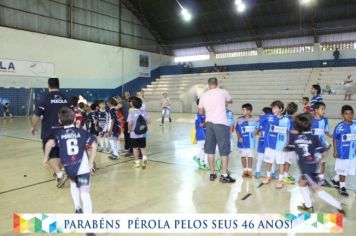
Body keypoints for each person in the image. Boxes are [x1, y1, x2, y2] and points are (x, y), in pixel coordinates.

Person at [44, 108, 97, 236]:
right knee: (85, 194)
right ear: (74, 119)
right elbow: (94, 143)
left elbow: (49, 143)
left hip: (69, 168)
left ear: (59, 121)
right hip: (83, 168)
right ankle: (89, 228)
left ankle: (78, 208)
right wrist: (91, 161)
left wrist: (46, 157)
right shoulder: (81, 132)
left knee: (73, 184)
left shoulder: (59, 133)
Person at [286, 113, 344, 214]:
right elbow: (323, 151)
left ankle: (338, 205)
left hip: (307, 169)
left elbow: (290, 147)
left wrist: (286, 148)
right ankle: (308, 205)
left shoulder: (296, 137)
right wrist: (319, 157)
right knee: (302, 183)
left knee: (317, 190)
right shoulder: (313, 137)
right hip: (311, 167)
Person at [31, 78, 70, 188]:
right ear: (59, 85)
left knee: (49, 155)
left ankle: (59, 173)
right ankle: (62, 170)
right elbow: (72, 114)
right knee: (60, 153)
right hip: (65, 130)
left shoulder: (45, 97)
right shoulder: (66, 98)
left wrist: (33, 126)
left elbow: (36, 115)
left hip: (50, 131)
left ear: (49, 85)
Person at [198, 77, 235, 183]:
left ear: (208, 85)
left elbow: (200, 112)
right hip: (221, 124)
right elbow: (230, 100)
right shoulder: (223, 92)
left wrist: (209, 111)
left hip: (209, 124)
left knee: (210, 150)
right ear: (217, 84)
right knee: (224, 150)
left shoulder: (204, 95)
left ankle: (212, 173)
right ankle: (224, 175)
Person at [261, 100, 291, 189]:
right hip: (269, 144)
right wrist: (244, 119)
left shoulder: (286, 120)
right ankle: (268, 176)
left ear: (280, 109)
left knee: (281, 163)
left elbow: (288, 132)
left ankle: (280, 179)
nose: (273, 109)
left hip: (280, 146)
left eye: (275, 108)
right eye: (272, 108)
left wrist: (288, 144)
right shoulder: (269, 117)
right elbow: (258, 119)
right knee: (269, 161)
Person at [331, 105, 356, 197]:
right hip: (342, 152)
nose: (349, 116)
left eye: (350, 114)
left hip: (352, 153)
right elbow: (335, 138)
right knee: (343, 169)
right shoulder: (340, 127)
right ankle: (342, 187)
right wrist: (335, 151)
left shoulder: (355, 125)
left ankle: (335, 178)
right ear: (342, 115)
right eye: (346, 114)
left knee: (347, 168)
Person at [311, 102, 332, 187]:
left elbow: (326, 131)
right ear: (316, 110)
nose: (324, 111)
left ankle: (321, 178)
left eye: (324, 109)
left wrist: (332, 135)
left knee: (323, 162)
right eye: (322, 109)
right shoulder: (310, 120)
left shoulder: (325, 119)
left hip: (323, 146)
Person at [236, 103, 258, 178]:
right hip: (242, 143)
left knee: (250, 156)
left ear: (249, 111)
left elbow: (258, 127)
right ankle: (245, 170)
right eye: (242, 109)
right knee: (243, 156)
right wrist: (239, 137)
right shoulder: (239, 119)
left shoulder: (253, 120)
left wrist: (256, 130)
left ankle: (250, 170)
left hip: (250, 143)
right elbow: (237, 130)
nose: (242, 111)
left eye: (243, 110)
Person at [127, 96, 150, 169]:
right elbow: (148, 121)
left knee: (135, 148)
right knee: (143, 148)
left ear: (133, 104)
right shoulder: (144, 112)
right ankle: (145, 158)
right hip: (143, 134)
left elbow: (130, 123)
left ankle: (137, 163)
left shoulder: (131, 113)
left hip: (134, 134)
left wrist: (129, 130)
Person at [283, 102, 298, 185]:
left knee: (283, 159)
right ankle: (285, 175)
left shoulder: (283, 117)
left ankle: (283, 174)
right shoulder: (294, 120)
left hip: (282, 142)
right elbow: (291, 131)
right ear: (295, 110)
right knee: (288, 160)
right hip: (290, 142)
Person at [255, 107, 272, 179]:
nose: (261, 114)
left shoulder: (270, 120)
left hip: (269, 144)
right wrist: (257, 131)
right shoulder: (261, 121)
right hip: (262, 143)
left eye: (262, 112)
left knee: (270, 160)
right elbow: (258, 129)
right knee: (260, 159)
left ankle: (271, 173)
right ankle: (257, 172)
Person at [193, 99, 208, 170]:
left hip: (206, 133)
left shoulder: (206, 113)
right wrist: (208, 121)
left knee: (205, 148)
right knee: (204, 148)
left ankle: (197, 157)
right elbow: (201, 125)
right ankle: (202, 163)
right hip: (200, 134)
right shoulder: (198, 114)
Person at [122, 91, 133, 157]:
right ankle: (127, 148)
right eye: (126, 94)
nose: (127, 95)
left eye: (128, 94)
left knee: (131, 135)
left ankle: (131, 150)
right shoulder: (123, 101)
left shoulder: (132, 101)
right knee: (126, 134)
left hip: (131, 122)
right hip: (126, 121)